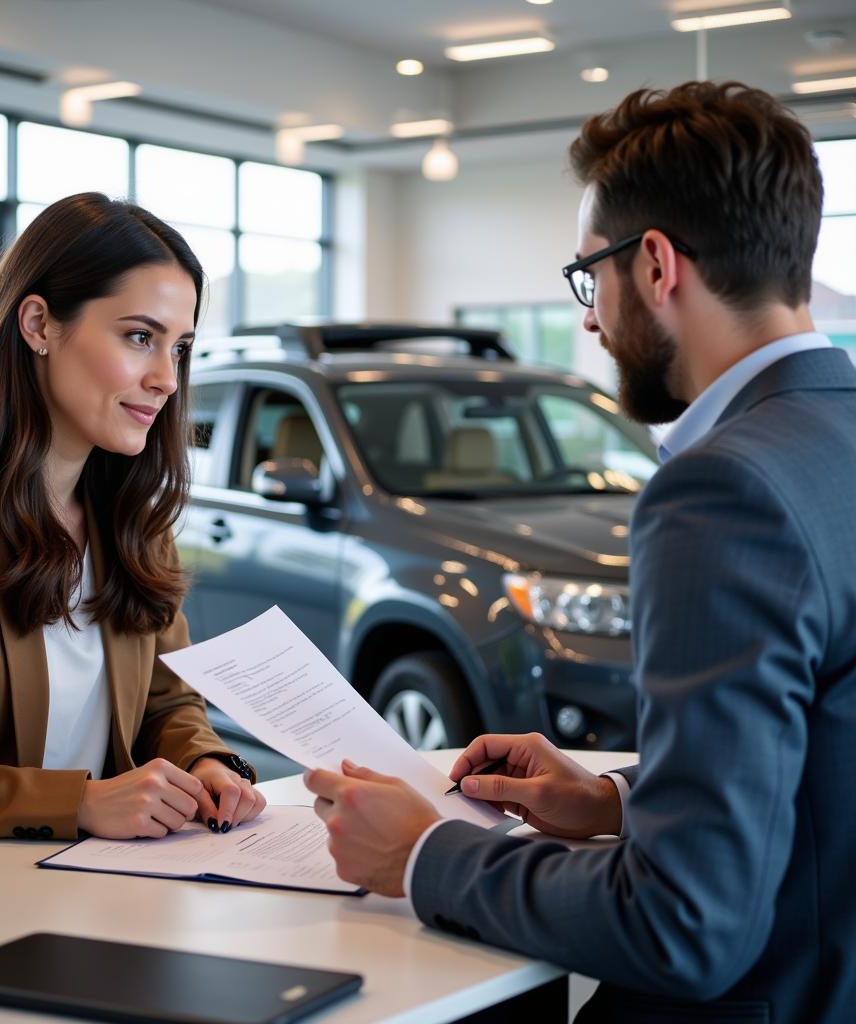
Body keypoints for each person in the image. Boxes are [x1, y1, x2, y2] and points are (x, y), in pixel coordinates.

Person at [306, 81, 856, 1022]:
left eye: (586, 276)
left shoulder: (722, 491)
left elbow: (686, 926)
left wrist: (424, 855)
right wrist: (616, 800)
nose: (591, 318)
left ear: (654, 265)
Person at [0, 192, 265, 865]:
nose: (165, 379)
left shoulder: (131, 512)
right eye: (139, 336)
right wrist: (79, 803)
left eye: (179, 349)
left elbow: (165, 701)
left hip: (97, 890)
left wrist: (206, 763)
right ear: (38, 323)